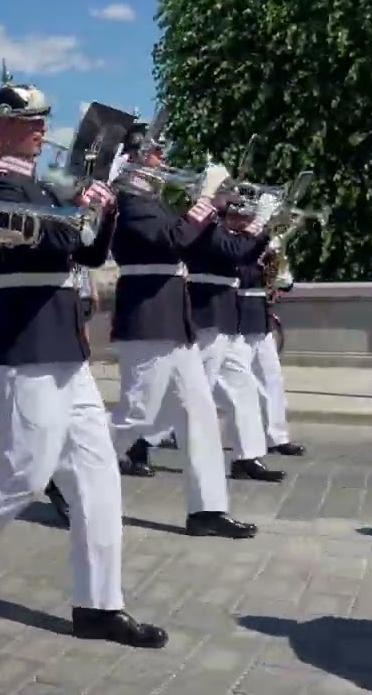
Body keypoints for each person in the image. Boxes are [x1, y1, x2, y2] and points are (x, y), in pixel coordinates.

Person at [0, 74, 165, 649]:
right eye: (29, 121)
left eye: (44, 119)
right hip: (25, 343)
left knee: (98, 480)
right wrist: (80, 202)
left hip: (64, 348)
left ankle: (99, 605)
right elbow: (47, 244)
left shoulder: (43, 191)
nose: (42, 129)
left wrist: (106, 202)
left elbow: (90, 250)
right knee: (23, 471)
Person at [106, 120, 257, 538]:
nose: (164, 160)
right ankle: (65, 474)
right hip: (148, 313)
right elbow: (172, 240)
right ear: (133, 158)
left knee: (200, 415)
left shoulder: (153, 201)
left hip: (174, 315)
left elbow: (193, 239)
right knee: (137, 411)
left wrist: (217, 206)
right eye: (155, 152)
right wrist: (206, 198)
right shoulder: (129, 202)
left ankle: (206, 510)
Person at [186, 198, 284, 482]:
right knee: (193, 390)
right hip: (209, 313)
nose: (242, 217)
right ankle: (138, 445)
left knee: (242, 388)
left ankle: (247, 457)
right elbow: (237, 253)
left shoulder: (220, 230)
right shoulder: (206, 228)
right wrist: (262, 225)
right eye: (236, 212)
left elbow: (244, 253)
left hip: (226, 315)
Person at [238, 235, 306, 456]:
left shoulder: (267, 242)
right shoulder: (230, 239)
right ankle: (159, 431)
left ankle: (276, 437)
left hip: (260, 314)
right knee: (216, 380)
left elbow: (283, 281)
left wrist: (281, 275)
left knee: (271, 377)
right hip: (236, 311)